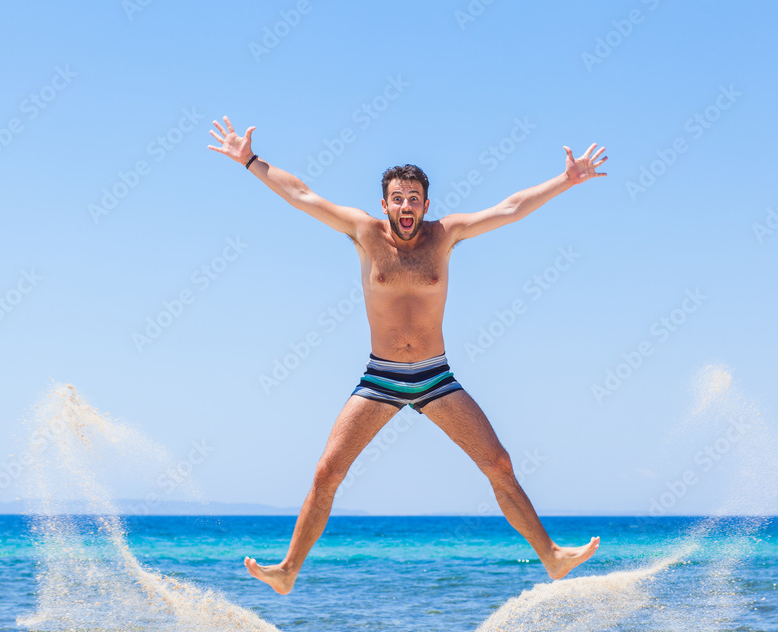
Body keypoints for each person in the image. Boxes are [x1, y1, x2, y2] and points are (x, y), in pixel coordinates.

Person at [208, 116, 607, 594]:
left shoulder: (445, 234)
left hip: (435, 376)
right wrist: (250, 160)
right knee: (327, 471)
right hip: (381, 377)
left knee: (498, 463)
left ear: (425, 204)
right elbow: (303, 195)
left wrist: (566, 179)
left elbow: (510, 208)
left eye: (413, 198)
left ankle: (553, 556)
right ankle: (288, 570)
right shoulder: (364, 231)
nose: (405, 205)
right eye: (397, 197)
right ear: (385, 204)